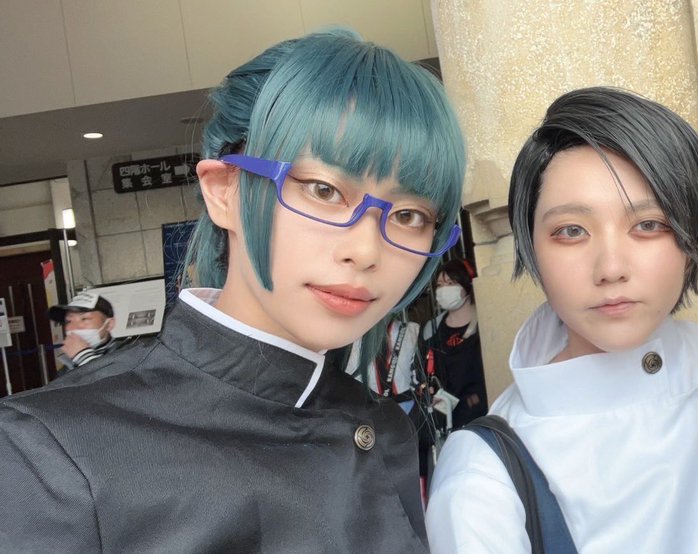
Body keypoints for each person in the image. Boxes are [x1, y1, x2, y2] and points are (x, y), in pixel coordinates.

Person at [0, 29, 464, 552]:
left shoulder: (387, 428)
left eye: (409, 215)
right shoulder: (47, 452)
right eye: (324, 190)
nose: (365, 250)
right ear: (224, 192)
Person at [426, 87, 698, 553]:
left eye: (648, 225)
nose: (611, 268)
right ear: (532, 247)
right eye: (571, 231)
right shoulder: (484, 474)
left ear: (691, 236)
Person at [423, 258, 487, 429]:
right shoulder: (431, 329)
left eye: (450, 283)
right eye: (439, 285)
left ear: (466, 286)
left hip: (481, 413)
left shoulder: (485, 324)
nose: (444, 290)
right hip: (445, 417)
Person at [48, 291, 118, 372]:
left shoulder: (127, 353)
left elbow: (115, 378)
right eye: (68, 321)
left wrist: (83, 356)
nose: (73, 328)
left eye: (84, 319)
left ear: (109, 324)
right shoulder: (65, 370)